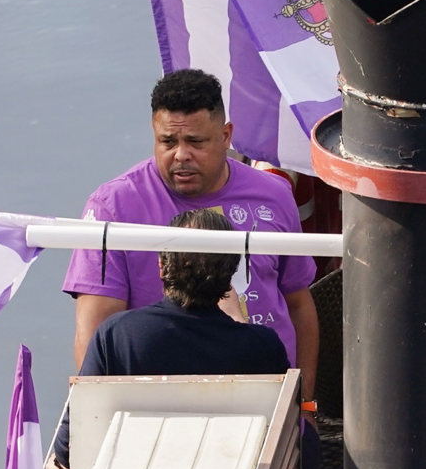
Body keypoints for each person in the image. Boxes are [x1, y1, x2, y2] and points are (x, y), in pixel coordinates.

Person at [62, 68, 318, 401]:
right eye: (168, 142)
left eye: (195, 142)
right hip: (163, 408)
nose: (181, 155)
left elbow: (298, 304)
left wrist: (307, 406)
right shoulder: (113, 209)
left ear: (226, 137)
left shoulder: (275, 194)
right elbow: (96, 337)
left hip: (271, 400)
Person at [47, 208, 290, 469]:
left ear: (161, 266)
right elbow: (282, 441)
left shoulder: (117, 335)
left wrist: (58, 460)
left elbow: (71, 446)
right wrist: (239, 322)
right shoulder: (262, 345)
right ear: (232, 273)